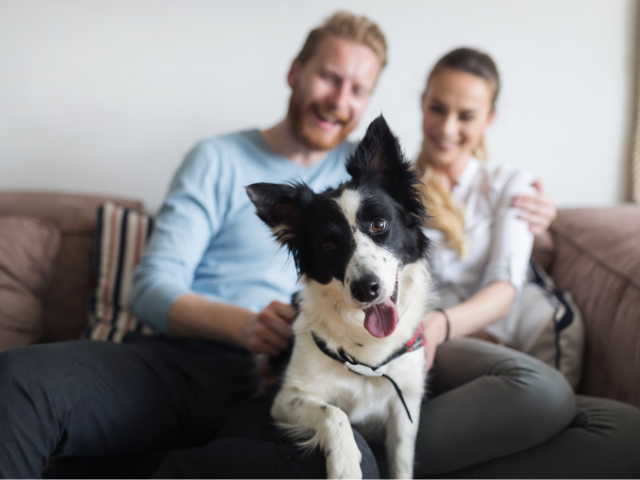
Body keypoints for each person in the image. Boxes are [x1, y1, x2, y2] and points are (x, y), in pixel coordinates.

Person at [407, 47, 640, 478]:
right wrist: (434, 327)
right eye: (437, 108)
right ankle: (391, 459)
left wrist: (444, 321)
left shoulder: (508, 184)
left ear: (490, 119)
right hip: (429, 350)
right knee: (540, 393)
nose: (446, 127)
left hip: (470, 339)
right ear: (422, 102)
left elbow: (504, 290)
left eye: (466, 115)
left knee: (628, 430)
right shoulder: (393, 190)